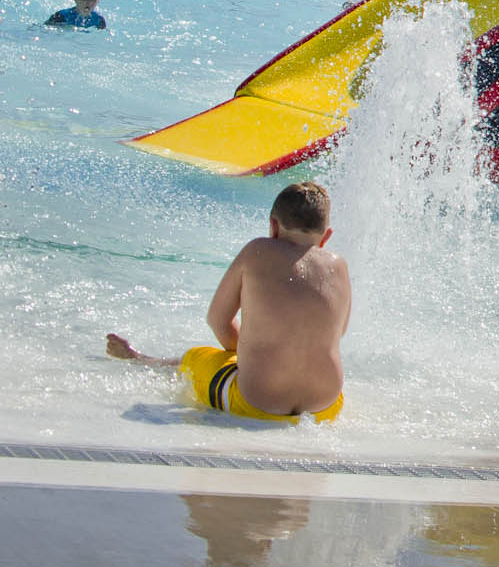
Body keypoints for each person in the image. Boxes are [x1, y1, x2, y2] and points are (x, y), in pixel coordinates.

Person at [105, 181, 350, 422]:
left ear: (273, 226)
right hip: (325, 408)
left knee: (195, 357)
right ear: (326, 237)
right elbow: (338, 332)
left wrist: (242, 353)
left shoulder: (258, 250)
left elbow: (218, 321)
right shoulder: (339, 265)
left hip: (255, 403)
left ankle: (139, 359)